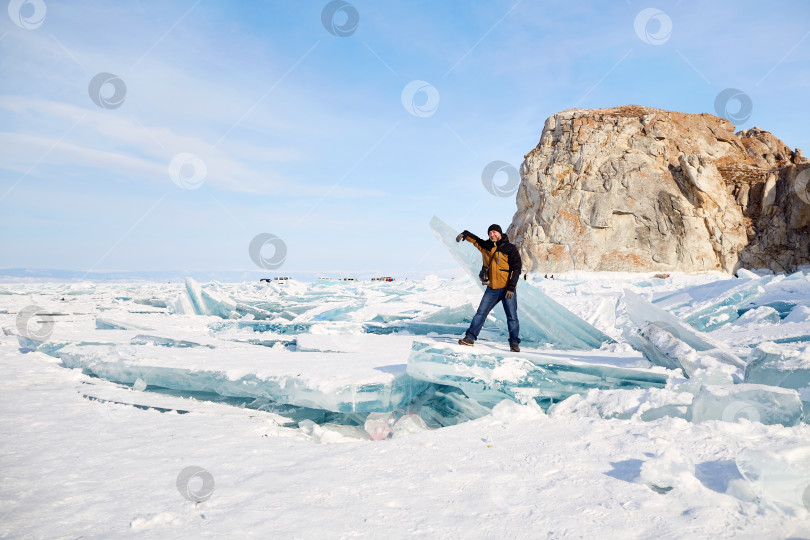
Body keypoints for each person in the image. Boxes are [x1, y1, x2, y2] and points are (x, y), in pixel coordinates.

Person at [455, 224, 522, 352]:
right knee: (481, 313)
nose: (492, 235)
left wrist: (512, 287)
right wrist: (465, 234)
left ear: (500, 233)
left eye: (494, 232)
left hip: (507, 288)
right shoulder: (486, 246)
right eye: (490, 233)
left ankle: (514, 343)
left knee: (512, 317)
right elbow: (476, 240)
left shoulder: (510, 248)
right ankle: (470, 338)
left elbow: (516, 267)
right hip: (492, 289)